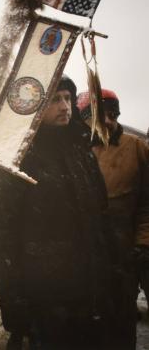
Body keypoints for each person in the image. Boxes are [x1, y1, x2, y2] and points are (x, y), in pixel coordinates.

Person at [0, 76, 114, 349]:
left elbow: (101, 213)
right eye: (55, 99)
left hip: (89, 286)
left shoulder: (81, 148)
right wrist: (13, 301)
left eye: (67, 98)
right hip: (44, 292)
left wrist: (109, 269)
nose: (65, 106)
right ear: (34, 106)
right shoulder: (15, 158)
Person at [77, 89, 149, 349]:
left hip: (128, 252)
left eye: (113, 113)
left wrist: (142, 242)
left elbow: (147, 203)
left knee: (122, 321)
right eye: (99, 115)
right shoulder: (77, 153)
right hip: (89, 256)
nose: (107, 121)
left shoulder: (136, 147)